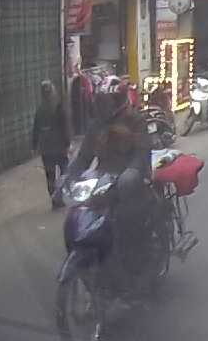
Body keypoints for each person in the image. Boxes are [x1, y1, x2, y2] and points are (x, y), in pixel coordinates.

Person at [65, 75, 155, 285]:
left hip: (132, 182)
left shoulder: (135, 121)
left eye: (107, 101)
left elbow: (142, 152)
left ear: (118, 100)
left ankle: (137, 265)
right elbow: (84, 157)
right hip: (104, 181)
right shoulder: (96, 125)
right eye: (101, 101)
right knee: (81, 215)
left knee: (125, 219)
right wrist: (69, 175)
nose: (103, 106)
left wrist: (132, 172)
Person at [32, 80, 71, 209]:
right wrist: (68, 143)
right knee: (64, 172)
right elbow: (65, 126)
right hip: (60, 146)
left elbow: (36, 129)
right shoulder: (59, 107)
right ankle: (61, 196)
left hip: (46, 148)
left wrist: (34, 146)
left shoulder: (39, 110)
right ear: (53, 91)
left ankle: (55, 200)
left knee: (50, 175)